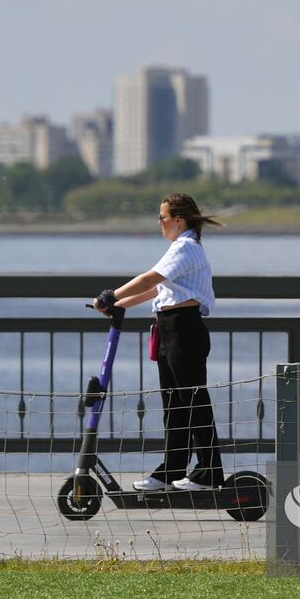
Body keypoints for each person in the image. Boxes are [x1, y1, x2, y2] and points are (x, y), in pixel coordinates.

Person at [95, 193, 224, 492]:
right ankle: (171, 471)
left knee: (193, 401)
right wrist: (120, 304)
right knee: (174, 405)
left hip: (185, 328)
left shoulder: (187, 247)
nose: (159, 223)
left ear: (178, 220)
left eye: (162, 217)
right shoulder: (179, 248)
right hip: (168, 327)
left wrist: (110, 295)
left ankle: (209, 472)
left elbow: (149, 278)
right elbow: (157, 290)